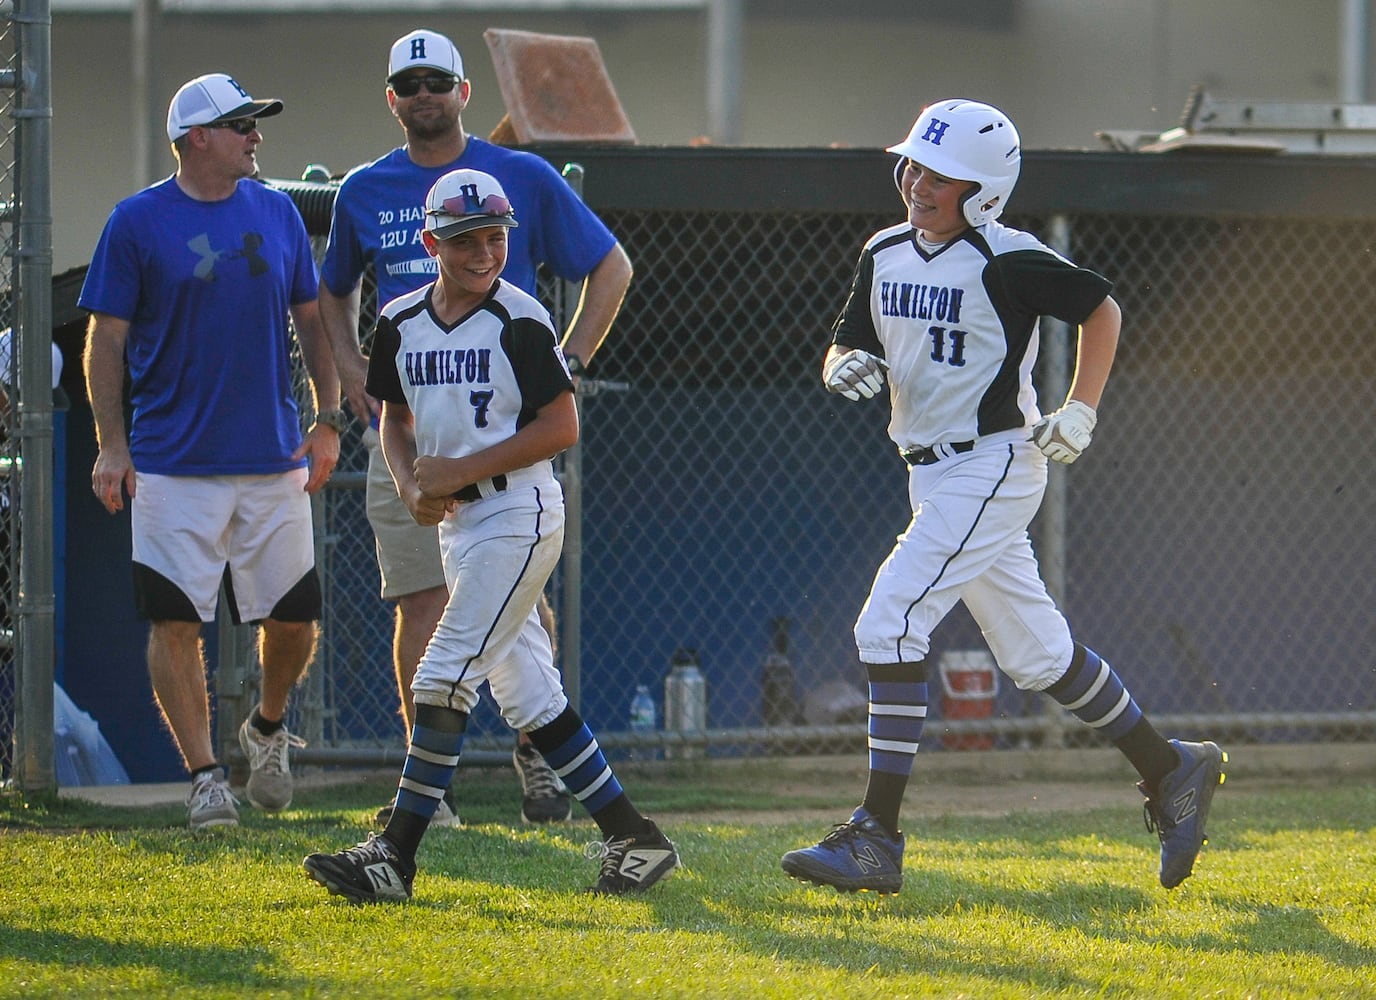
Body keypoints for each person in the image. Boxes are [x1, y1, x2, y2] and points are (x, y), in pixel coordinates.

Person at [781, 99, 1226, 895]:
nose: (919, 181)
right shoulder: (882, 250)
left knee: (890, 621)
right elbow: (849, 336)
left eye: (942, 175)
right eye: (915, 164)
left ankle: (876, 836)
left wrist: (1082, 406)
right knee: (1037, 655)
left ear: (982, 191)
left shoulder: (1006, 257)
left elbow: (1102, 308)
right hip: (930, 471)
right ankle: (1172, 767)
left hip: (992, 462)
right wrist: (837, 362)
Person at [303, 169, 676, 901]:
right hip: (459, 519)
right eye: (464, 238)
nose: (483, 251)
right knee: (529, 693)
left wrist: (456, 470)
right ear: (429, 242)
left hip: (518, 511)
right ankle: (635, 839)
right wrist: (412, 484)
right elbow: (395, 419)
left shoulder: (522, 317)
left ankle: (394, 857)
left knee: (443, 673)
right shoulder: (402, 319)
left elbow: (559, 426)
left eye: (495, 236)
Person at [318, 27, 633, 828]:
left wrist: (571, 359)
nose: (424, 94)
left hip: (507, 459)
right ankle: (606, 829)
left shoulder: (518, 194)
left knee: (486, 640)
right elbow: (341, 306)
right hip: (424, 442)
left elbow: (609, 269)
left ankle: (429, 819)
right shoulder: (371, 211)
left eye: (438, 80)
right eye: (409, 83)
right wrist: (356, 384)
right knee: (444, 622)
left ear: (464, 92)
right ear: (392, 99)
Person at [79, 73, 343, 830]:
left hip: (270, 457)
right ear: (197, 137)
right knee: (174, 622)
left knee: (293, 618)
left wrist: (326, 420)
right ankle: (204, 777)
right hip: (169, 461)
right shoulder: (136, 222)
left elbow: (312, 322)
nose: (256, 138)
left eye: (256, 125)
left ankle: (265, 727)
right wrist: (112, 445)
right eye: (241, 126)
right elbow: (108, 341)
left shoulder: (280, 213)